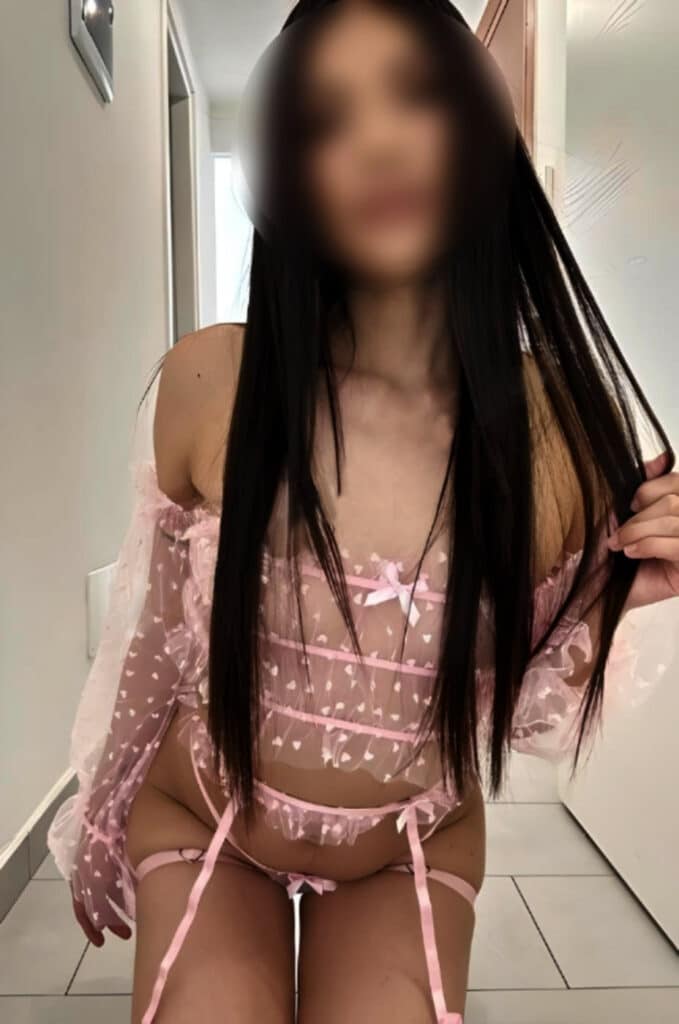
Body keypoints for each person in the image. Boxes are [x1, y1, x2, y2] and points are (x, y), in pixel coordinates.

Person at [48, 2, 679, 1022]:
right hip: (207, 819)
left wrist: (616, 595)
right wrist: (103, 811)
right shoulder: (215, 381)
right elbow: (156, 641)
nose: (378, 141)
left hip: (407, 843)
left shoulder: (558, 430)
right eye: (326, 121)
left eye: (416, 95)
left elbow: (510, 701)